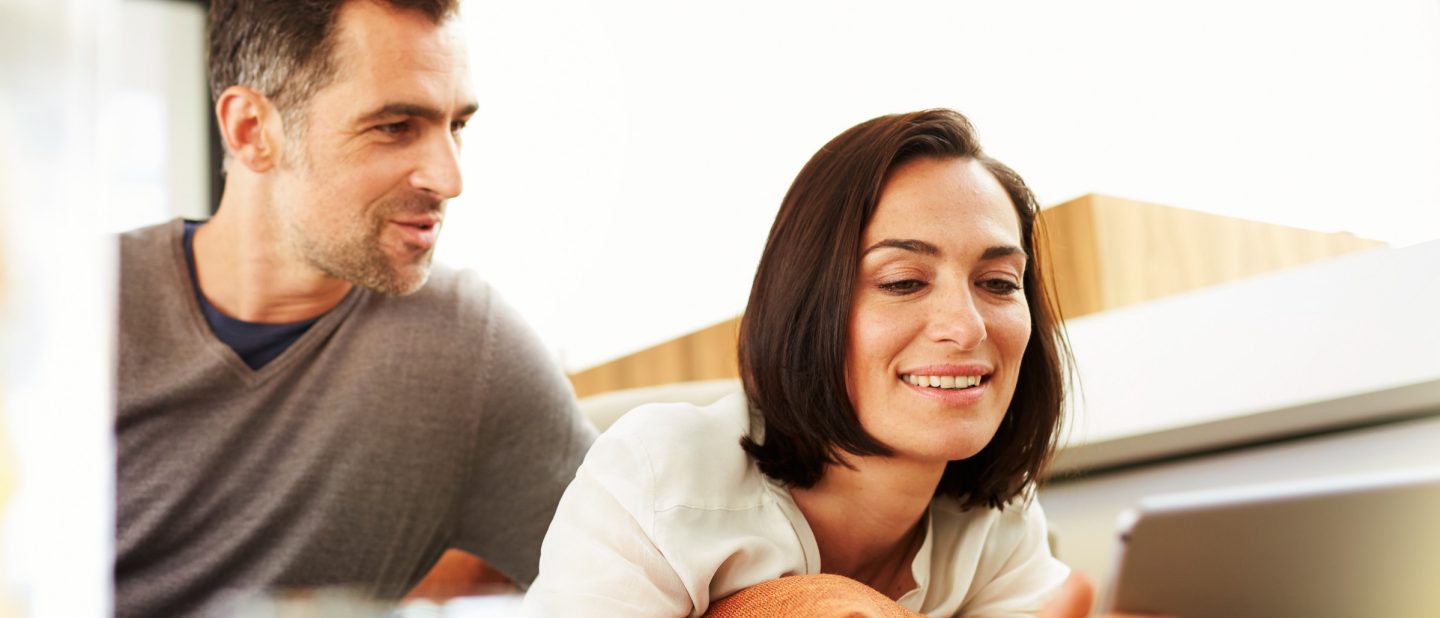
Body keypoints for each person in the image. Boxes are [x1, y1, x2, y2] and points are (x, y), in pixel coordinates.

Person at [523, 109, 1142, 617]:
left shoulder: (997, 523)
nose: (967, 326)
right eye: (903, 281)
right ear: (806, 306)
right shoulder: (658, 477)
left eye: (999, 282)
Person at [113, 1, 596, 616]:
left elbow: (642, 568)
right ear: (251, 130)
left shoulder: (468, 352)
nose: (450, 179)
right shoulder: (65, 306)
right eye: (396, 126)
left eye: (457, 127)